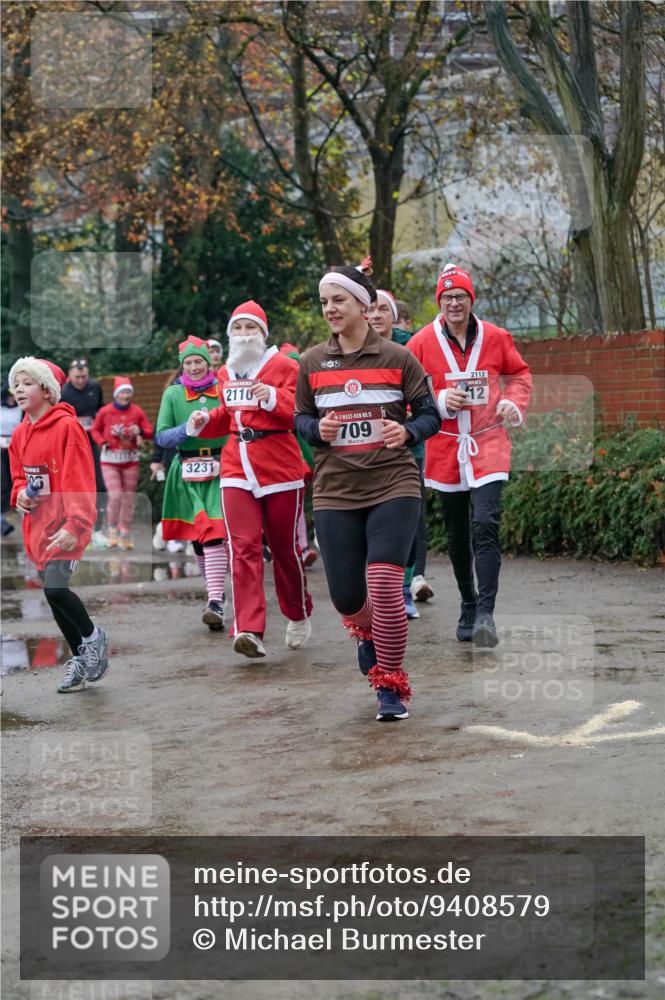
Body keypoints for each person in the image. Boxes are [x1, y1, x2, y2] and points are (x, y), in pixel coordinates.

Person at [294, 261, 440, 721]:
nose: (330, 309)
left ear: (363, 303)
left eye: (338, 300)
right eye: (324, 302)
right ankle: (369, 634)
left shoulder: (398, 358)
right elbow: (299, 420)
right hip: (336, 491)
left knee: (383, 583)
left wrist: (409, 433)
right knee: (346, 597)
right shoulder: (312, 362)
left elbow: (431, 413)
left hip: (393, 483)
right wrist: (319, 429)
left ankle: (390, 686)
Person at [407, 263, 532, 647]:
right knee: (457, 532)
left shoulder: (495, 336)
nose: (454, 303)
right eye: (447, 297)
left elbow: (520, 375)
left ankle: (486, 614)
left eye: (461, 296)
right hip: (445, 446)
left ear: (471, 299)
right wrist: (440, 400)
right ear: (439, 302)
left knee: (485, 524)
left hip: (488, 443)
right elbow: (405, 396)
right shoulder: (420, 343)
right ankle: (467, 601)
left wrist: (513, 403)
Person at [187, 301, 313, 658]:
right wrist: (203, 421)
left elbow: (300, 412)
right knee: (242, 549)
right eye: (237, 329)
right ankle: (249, 630)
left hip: (279, 467)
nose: (243, 336)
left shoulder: (285, 366)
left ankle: (298, 612)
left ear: (263, 334)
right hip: (235, 467)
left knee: (285, 549)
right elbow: (227, 415)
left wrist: (272, 397)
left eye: (250, 329)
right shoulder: (226, 372)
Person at [8, 357, 109, 693]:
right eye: (16, 383)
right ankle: (81, 661)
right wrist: (20, 494)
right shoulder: (20, 432)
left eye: (27, 383)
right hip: (37, 528)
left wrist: (76, 525)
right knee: (53, 597)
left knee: (54, 588)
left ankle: (93, 639)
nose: (19, 389)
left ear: (48, 391)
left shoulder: (68, 428)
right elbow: (18, 477)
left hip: (68, 526)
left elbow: (81, 479)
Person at [154, 336, 229, 630]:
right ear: (182, 366)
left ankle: (214, 602)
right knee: (198, 538)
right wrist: (186, 430)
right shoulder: (173, 394)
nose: (195, 367)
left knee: (213, 532)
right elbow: (161, 436)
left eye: (199, 361)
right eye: (189, 363)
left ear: (208, 362)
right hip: (184, 469)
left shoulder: (222, 389)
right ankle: (215, 592)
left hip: (220, 468)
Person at [367, 288, 432, 619]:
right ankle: (377, 593)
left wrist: (408, 424)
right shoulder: (346, 348)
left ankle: (404, 591)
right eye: (370, 309)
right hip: (362, 453)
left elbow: (428, 399)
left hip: (407, 447)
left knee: (404, 522)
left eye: (383, 309)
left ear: (394, 315)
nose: (376, 315)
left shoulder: (413, 347)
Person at [91, 377, 153, 550]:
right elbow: (95, 429)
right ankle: (112, 530)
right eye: (122, 392)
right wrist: (102, 442)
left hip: (130, 460)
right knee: (116, 495)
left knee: (128, 497)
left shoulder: (137, 411)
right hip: (109, 460)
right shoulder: (105, 411)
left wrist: (140, 431)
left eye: (128, 392)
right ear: (116, 394)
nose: (126, 396)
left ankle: (124, 532)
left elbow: (149, 431)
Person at [61, 358, 106, 543]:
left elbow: (101, 411)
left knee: (98, 484)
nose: (81, 380)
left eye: (84, 376)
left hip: (91, 441)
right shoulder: (63, 392)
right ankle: (73, 525)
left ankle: (99, 528)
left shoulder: (95, 387)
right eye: (77, 377)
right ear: (70, 375)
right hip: (71, 443)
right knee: (74, 484)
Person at [1, 380, 23, 536]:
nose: (11, 399)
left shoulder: (22, 410)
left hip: (16, 450)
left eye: (13, 396)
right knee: (2, 486)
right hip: (0, 450)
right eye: (8, 396)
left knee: (16, 483)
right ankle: (2, 521)